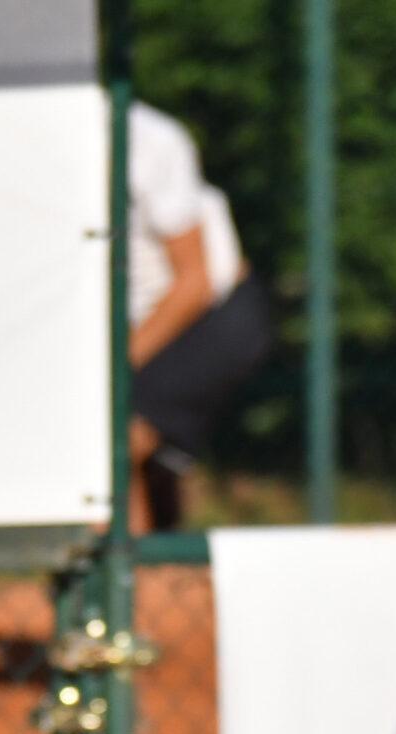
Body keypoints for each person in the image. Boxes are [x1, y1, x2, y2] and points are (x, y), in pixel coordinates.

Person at [128, 103, 272, 532]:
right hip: (160, 321)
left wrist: (120, 364)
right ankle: (161, 580)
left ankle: (124, 588)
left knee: (117, 445)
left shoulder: (147, 138)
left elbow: (196, 281)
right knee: (152, 467)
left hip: (209, 315)